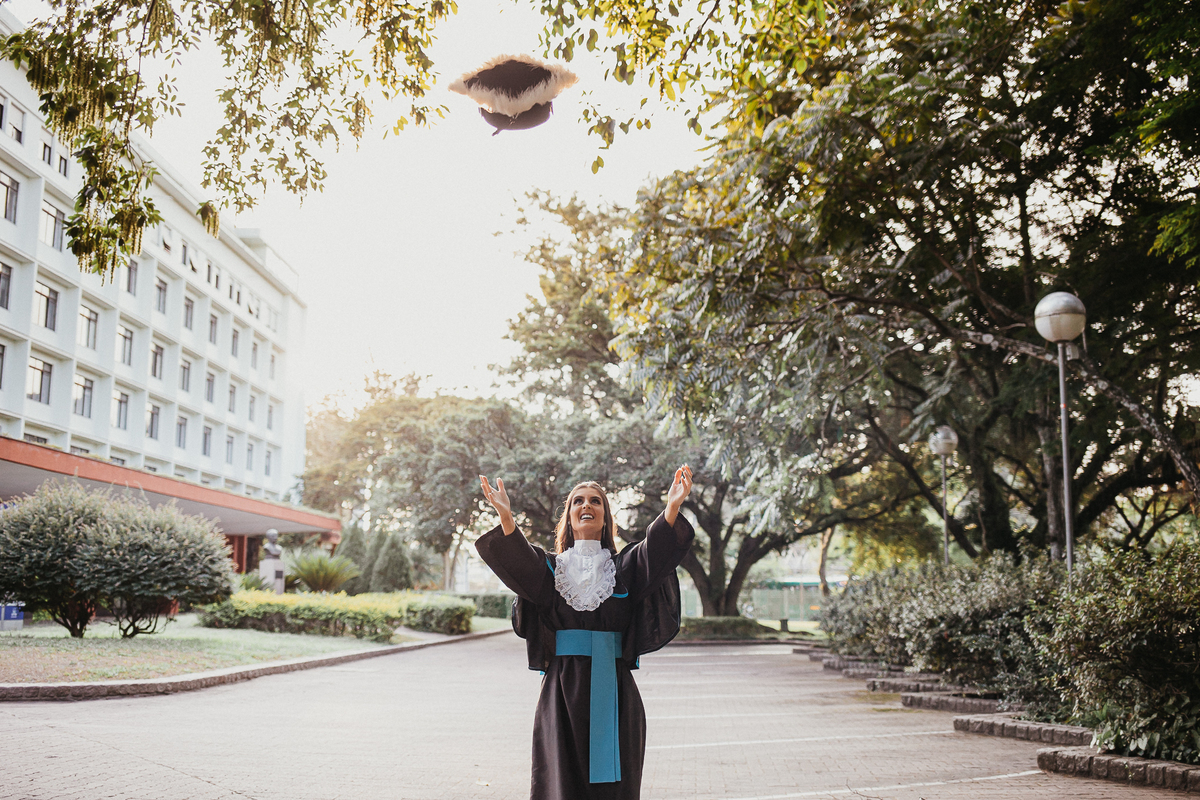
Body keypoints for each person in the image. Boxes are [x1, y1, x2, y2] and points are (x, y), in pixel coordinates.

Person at [476, 466, 695, 800]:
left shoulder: (622, 568)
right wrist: (506, 517)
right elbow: (518, 561)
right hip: (560, 693)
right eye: (577, 501)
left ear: (605, 518)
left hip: (616, 692)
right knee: (560, 784)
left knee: (614, 786)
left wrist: (672, 508)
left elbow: (657, 552)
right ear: (569, 516)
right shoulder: (551, 570)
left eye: (595, 501)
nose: (586, 505)